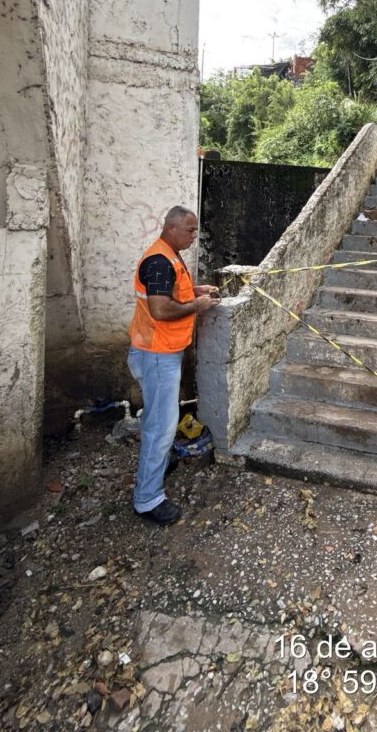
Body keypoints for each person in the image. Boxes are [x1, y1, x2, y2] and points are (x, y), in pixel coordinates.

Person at [128, 205, 218, 525]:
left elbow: (171, 293)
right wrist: (198, 305)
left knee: (158, 419)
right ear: (171, 228)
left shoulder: (169, 256)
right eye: (190, 230)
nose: (195, 235)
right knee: (161, 427)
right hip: (157, 354)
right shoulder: (159, 261)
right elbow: (161, 310)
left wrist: (195, 291)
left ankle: (161, 462)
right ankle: (148, 499)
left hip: (160, 352)